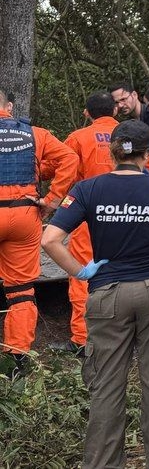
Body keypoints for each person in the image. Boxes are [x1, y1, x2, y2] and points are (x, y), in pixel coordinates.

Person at [41, 120, 149, 468]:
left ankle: (103, 464)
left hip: (108, 294)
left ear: (111, 151)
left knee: (106, 385)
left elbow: (50, 239)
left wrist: (81, 272)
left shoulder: (88, 189)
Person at [57, 91, 149, 355]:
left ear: (87, 113)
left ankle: (83, 340)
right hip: (136, 217)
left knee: (83, 277)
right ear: (115, 110)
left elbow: (63, 169)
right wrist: (148, 194)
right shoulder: (134, 138)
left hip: (89, 218)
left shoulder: (78, 138)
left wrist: (55, 200)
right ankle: (133, 338)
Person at [0, 86, 79, 373]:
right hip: (24, 214)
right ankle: (16, 359)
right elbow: (70, 159)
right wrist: (52, 200)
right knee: (20, 290)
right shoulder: (35, 134)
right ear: (8, 107)